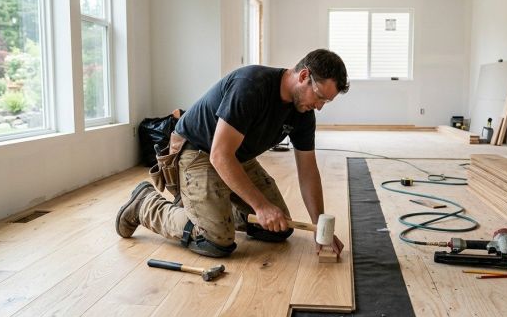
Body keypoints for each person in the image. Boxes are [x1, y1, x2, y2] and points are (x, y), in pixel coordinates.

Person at [115, 49, 349, 258]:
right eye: (319, 96)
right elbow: (219, 155)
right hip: (198, 152)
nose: (319, 106)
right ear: (304, 76)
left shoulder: (303, 113)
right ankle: (145, 204)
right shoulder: (251, 86)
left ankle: (209, 208)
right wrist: (261, 206)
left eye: (326, 101)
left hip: (235, 156)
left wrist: (320, 227)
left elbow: (308, 171)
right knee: (215, 240)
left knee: (279, 228)